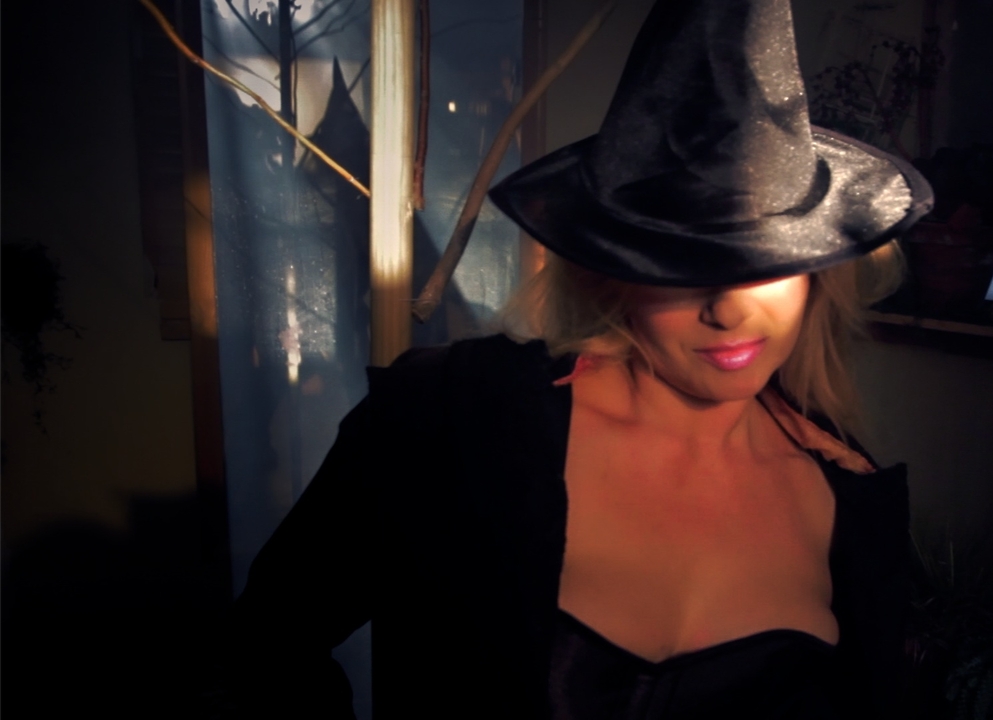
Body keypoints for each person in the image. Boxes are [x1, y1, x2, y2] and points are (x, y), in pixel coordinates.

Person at [227, 0, 932, 718]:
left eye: (769, 263)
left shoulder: (850, 498)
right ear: (610, 268)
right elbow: (266, 649)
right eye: (679, 264)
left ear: (817, 272)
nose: (729, 311)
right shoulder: (446, 420)